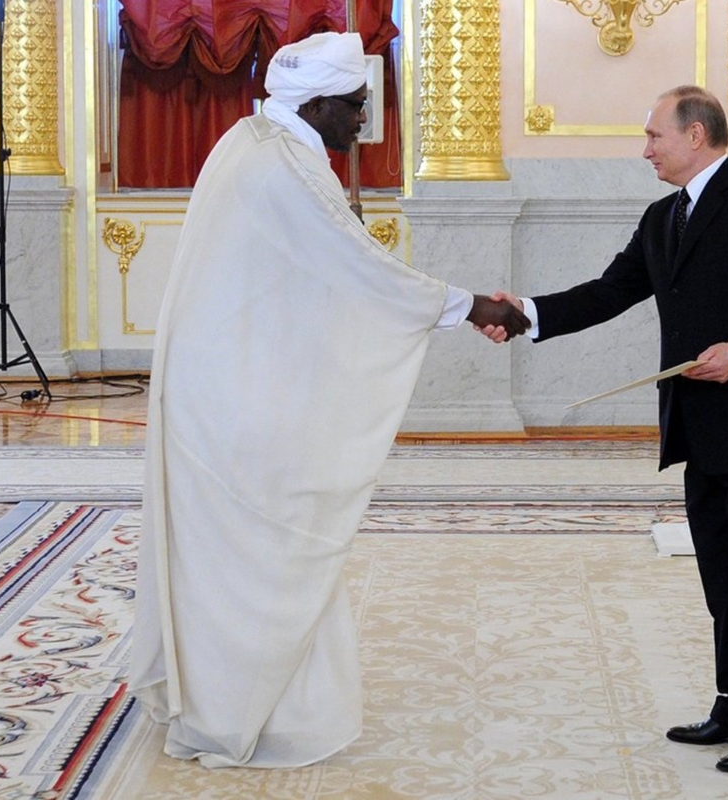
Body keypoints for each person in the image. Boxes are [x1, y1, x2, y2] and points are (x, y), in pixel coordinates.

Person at [128, 31, 528, 769]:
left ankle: (241, 701)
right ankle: (244, 713)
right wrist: (472, 305)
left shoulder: (253, 142)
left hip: (234, 385)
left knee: (244, 556)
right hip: (241, 402)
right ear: (314, 104)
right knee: (263, 556)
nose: (362, 123)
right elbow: (358, 270)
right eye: (354, 107)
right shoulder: (282, 167)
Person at [481, 86, 728, 773]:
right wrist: (523, 310)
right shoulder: (660, 218)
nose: (645, 150)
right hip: (700, 432)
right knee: (725, 582)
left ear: (695, 135)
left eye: (654, 137)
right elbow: (608, 292)